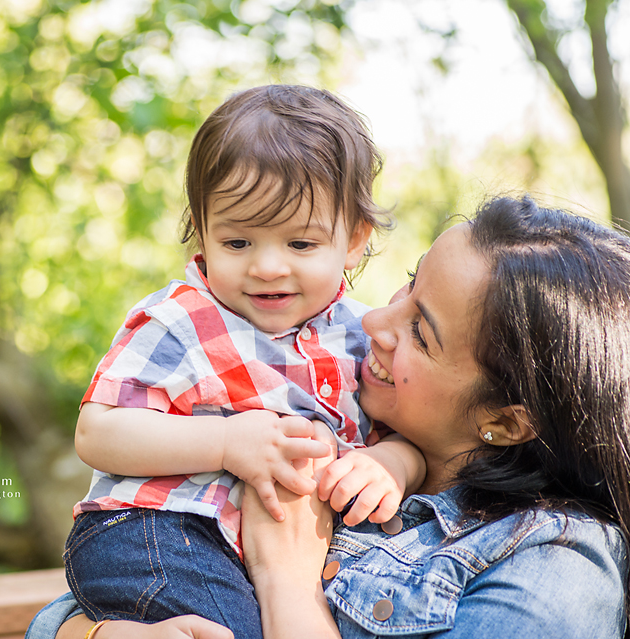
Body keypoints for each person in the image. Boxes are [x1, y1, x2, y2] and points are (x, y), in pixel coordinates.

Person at [31, 195, 630, 639]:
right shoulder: (348, 436)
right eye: (407, 285)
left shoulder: (555, 570)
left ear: (505, 420)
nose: (372, 322)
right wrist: (88, 632)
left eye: (419, 333)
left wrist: (286, 577)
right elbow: (104, 597)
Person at [64, 85, 425, 639]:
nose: (267, 266)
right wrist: (226, 443)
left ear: (354, 239)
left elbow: (410, 434)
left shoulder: (363, 335)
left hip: (293, 556)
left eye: (300, 244)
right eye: (237, 243)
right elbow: (98, 431)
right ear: (202, 229)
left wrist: (394, 465)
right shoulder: (181, 320)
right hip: (162, 532)